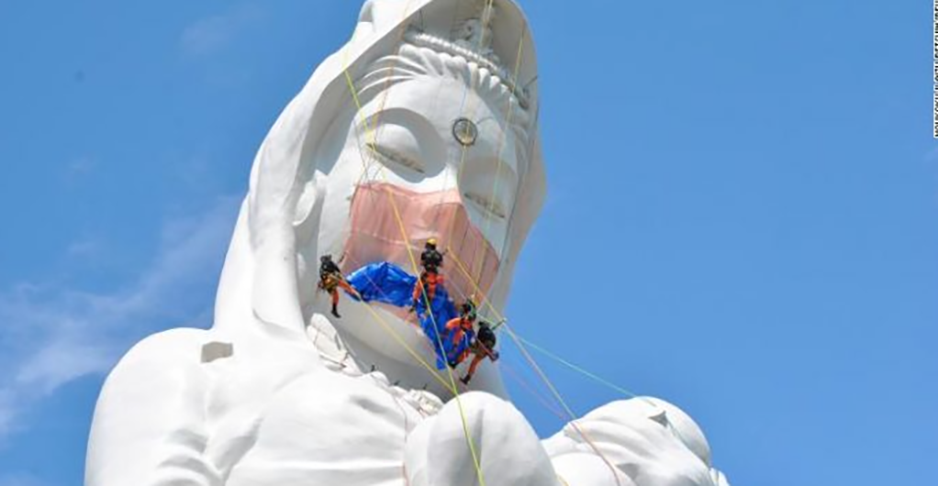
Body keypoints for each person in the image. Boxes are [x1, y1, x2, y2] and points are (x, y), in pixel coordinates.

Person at [412, 238, 445, 310]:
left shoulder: (424, 253)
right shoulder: (439, 255)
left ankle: (414, 303)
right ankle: (428, 305)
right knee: (431, 290)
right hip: (433, 275)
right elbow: (441, 265)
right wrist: (435, 262)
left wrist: (428, 261)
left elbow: (421, 263)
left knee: (418, 287)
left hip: (426, 273)